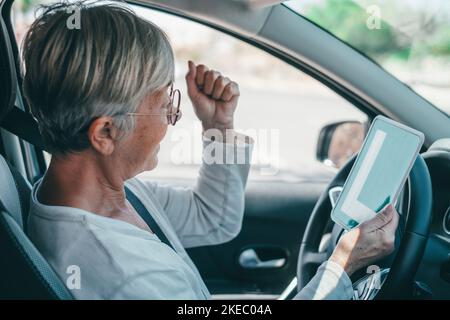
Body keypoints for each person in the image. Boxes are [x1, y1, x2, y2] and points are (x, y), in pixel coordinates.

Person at [23, 1, 399, 300]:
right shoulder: (124, 277)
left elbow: (213, 218)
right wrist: (343, 267)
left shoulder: (112, 194)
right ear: (105, 133)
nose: (174, 115)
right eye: (164, 101)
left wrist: (218, 127)